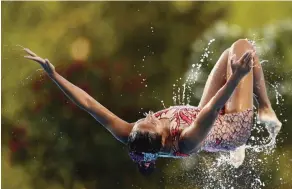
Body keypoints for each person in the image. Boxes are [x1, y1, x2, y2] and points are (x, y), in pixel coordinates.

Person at [23, 39, 282, 175]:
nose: (150, 115)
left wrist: (55, 76)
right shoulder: (185, 142)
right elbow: (211, 112)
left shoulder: (131, 134)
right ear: (166, 136)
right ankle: (264, 109)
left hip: (208, 116)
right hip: (232, 126)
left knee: (229, 55)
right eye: (152, 121)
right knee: (242, 48)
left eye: (143, 118)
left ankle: (232, 146)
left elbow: (90, 105)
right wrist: (236, 77)